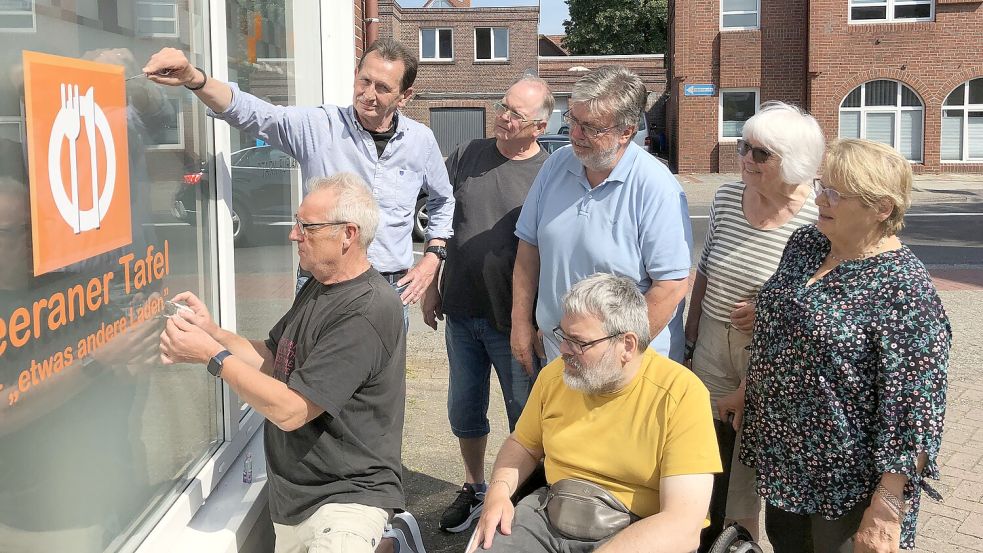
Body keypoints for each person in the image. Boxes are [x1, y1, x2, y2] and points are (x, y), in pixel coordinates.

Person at [159, 173, 408, 553]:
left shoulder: (367, 310)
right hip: (298, 501)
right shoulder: (319, 285)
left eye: (307, 227)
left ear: (348, 235)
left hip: (344, 505)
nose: (294, 235)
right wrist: (212, 332)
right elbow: (275, 358)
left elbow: (291, 410)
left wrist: (213, 357)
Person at [740, 139, 951, 552]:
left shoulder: (905, 292)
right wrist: (748, 392)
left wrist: (888, 507)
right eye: (822, 185)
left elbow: (917, 414)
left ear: (881, 208)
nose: (820, 198)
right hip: (788, 460)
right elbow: (781, 334)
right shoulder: (807, 243)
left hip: (849, 484)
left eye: (835, 193)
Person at [142, 38, 454, 312]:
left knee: (382, 379)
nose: (368, 94)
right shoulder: (319, 127)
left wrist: (432, 257)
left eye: (383, 88)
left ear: (405, 96)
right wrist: (194, 78)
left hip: (391, 286)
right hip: (323, 284)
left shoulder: (420, 140)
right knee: (309, 375)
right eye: (364, 81)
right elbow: (253, 113)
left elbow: (442, 201)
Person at [471, 273, 720, 553]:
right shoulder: (556, 377)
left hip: (637, 529)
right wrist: (499, 492)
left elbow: (682, 526)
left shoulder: (681, 394)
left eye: (579, 342)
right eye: (563, 336)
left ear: (627, 345)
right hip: (549, 514)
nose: (563, 350)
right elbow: (523, 444)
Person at [683, 101, 823, 549]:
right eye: (744, 147)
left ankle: (739, 542)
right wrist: (690, 332)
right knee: (703, 448)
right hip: (710, 341)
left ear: (795, 161)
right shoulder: (726, 196)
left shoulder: (819, 214)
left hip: (769, 355)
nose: (746, 159)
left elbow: (820, 297)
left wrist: (767, 314)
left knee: (749, 462)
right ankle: (703, 534)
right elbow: (704, 270)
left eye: (761, 154)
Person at [420, 75, 554, 534]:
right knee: (464, 409)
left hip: (513, 321)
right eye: (503, 106)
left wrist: (538, 321)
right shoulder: (467, 155)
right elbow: (440, 218)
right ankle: (475, 487)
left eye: (516, 113)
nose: (503, 116)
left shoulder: (550, 173)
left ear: (538, 126)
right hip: (461, 310)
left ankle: (522, 497)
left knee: (525, 416)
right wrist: (432, 282)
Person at [510, 65, 692, 373]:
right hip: (561, 358)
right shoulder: (556, 164)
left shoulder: (656, 187)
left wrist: (612, 356)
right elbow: (529, 250)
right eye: (574, 120)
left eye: (591, 128)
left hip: (625, 368)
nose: (575, 135)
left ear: (626, 132)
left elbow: (671, 287)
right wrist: (521, 324)